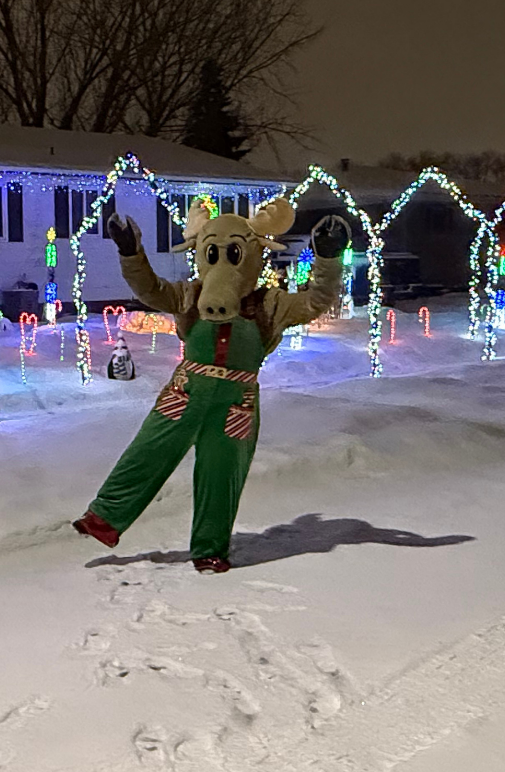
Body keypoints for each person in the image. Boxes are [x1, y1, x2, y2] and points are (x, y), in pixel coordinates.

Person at [72, 198, 349, 573]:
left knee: (222, 474)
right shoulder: (189, 295)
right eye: (213, 252)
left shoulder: (270, 304)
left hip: (237, 401)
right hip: (187, 391)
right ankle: (105, 517)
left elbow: (316, 300)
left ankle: (210, 548)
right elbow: (149, 288)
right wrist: (130, 251)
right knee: (148, 451)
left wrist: (327, 259)